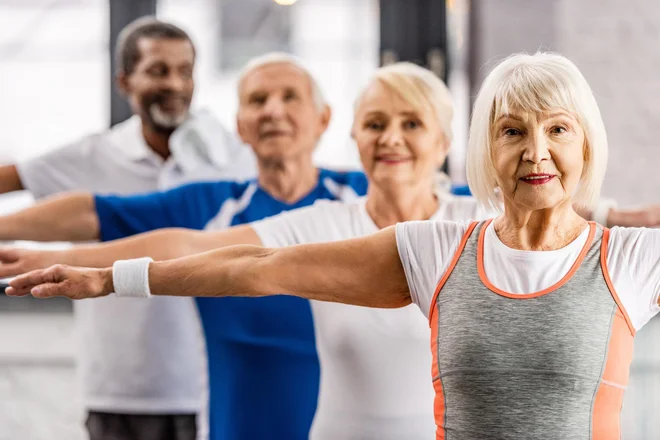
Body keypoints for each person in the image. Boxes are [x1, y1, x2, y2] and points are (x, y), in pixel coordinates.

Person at [13, 52, 660, 440]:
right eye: (513, 130)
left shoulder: (628, 257)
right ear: (484, 149)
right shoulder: (433, 246)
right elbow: (259, 266)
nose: (536, 149)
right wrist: (112, 277)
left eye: (559, 130)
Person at [0, 52, 370, 440]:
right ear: (240, 127)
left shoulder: (364, 196)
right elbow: (96, 211)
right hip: (234, 425)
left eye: (290, 97)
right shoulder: (212, 204)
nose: (273, 111)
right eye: (257, 101)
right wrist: (34, 246)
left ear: (324, 119)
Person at [0, 16, 256, 440]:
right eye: (158, 70)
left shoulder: (233, 158)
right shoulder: (93, 154)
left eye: (185, 71)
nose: (174, 84)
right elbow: (12, 177)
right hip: (119, 389)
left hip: (212, 382)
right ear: (124, 81)